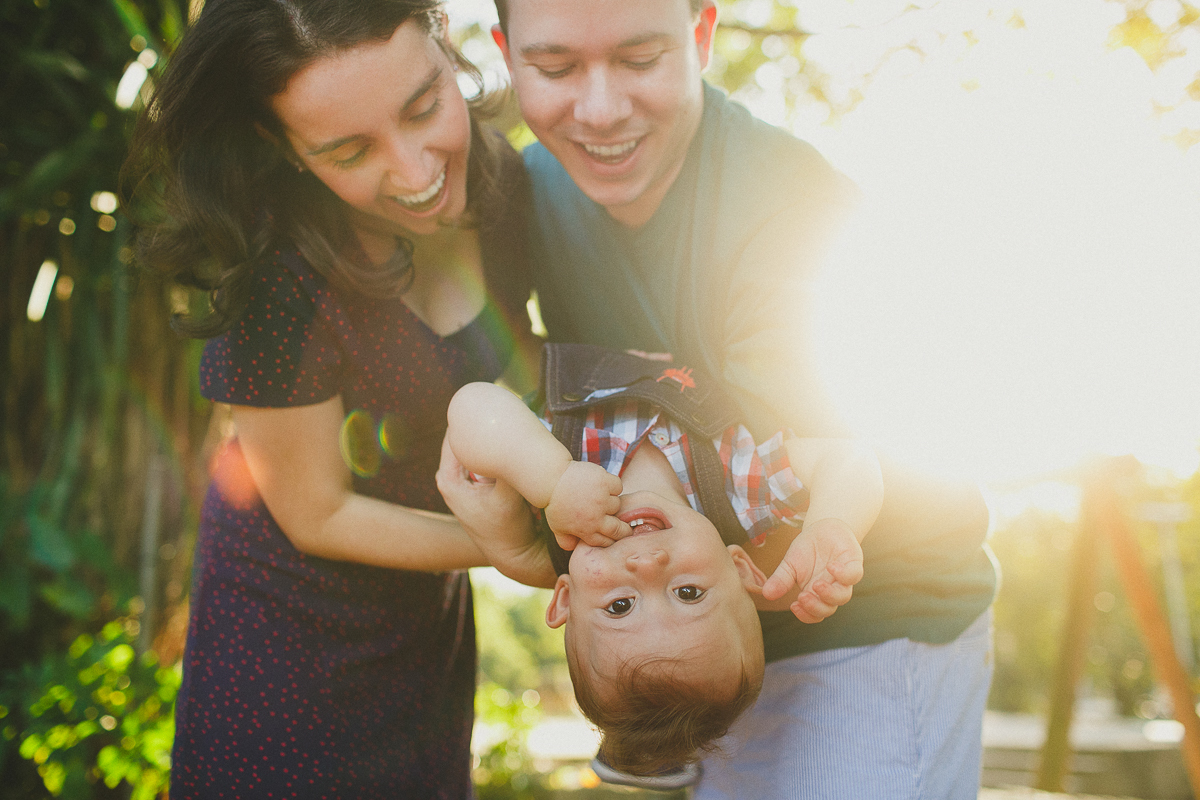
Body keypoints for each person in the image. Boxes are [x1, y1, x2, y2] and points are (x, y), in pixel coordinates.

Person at [472, 0, 999, 797]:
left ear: (702, 34)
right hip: (704, 646)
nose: (601, 108)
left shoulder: (794, 203)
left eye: (640, 58)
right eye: (554, 68)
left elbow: (809, 462)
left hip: (871, 613)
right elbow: (493, 391)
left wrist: (543, 534)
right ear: (508, 56)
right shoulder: (526, 190)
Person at [122, 1, 544, 797]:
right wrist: (517, 545)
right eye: (349, 151)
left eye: (424, 106)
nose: (417, 173)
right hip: (282, 665)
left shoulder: (502, 182)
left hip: (424, 636)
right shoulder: (274, 271)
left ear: (443, 38)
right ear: (278, 145)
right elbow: (315, 512)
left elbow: (515, 366)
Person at [444, 345, 883, 776]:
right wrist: (831, 523)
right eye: (688, 593)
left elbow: (471, 406)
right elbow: (850, 458)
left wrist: (551, 479)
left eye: (620, 605)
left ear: (564, 597)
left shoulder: (545, 495)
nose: (649, 566)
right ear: (740, 567)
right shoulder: (741, 489)